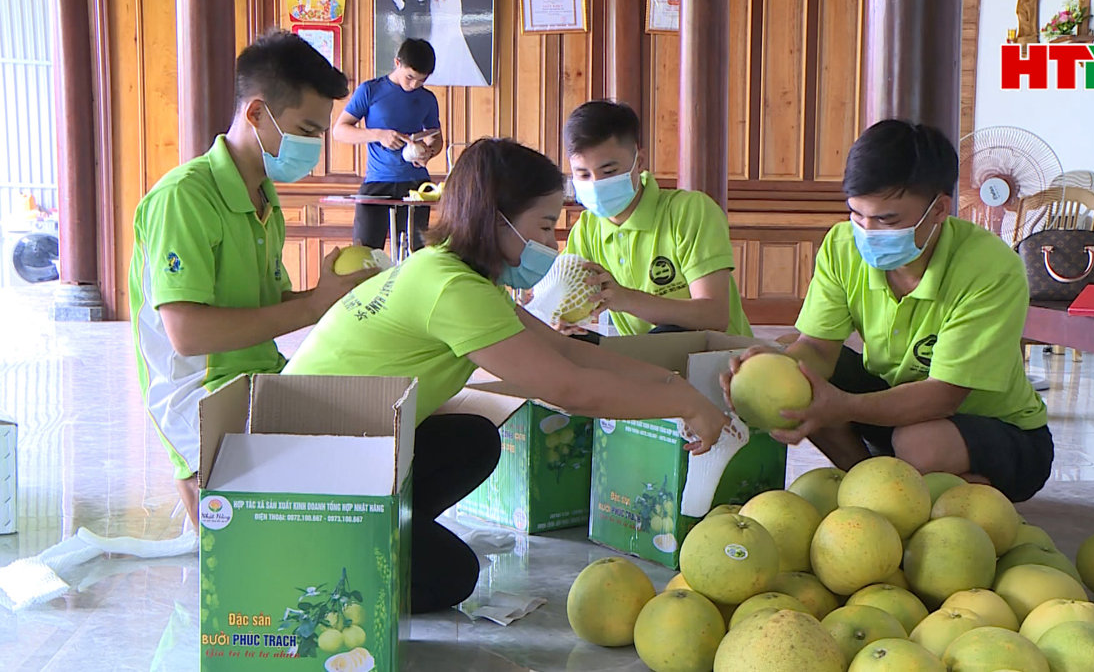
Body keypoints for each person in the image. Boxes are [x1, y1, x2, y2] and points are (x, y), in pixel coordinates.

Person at [282, 138, 730, 612]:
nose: (552, 245)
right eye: (545, 226)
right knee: (452, 575)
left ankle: (385, 526)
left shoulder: (450, 273)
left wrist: (675, 386)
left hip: (338, 454)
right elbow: (569, 388)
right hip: (303, 481)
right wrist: (683, 404)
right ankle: (327, 552)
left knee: (472, 440)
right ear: (497, 219)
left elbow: (564, 350)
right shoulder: (452, 290)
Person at [722, 119, 1053, 503]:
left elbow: (944, 396)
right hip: (896, 407)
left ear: (939, 209)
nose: (867, 231)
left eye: (887, 219)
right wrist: (771, 371)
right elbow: (815, 348)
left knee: (918, 443)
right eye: (856, 214)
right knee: (804, 379)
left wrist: (842, 406)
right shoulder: (842, 246)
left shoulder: (989, 268)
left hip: (998, 431)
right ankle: (873, 487)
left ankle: (940, 490)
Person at [128, 31, 377, 529]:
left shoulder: (264, 195)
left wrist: (333, 297)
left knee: (370, 450)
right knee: (272, 536)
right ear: (257, 113)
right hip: (199, 396)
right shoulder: (184, 198)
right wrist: (311, 306)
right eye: (306, 130)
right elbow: (188, 334)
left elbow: (269, 303)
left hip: (261, 377)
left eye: (319, 134)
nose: (314, 147)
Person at [560, 100, 753, 338]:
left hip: (719, 355)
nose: (596, 184)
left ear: (639, 162)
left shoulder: (689, 212)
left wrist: (627, 299)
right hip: (646, 356)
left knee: (668, 332)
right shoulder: (586, 229)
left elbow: (714, 315)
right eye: (583, 175)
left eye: (609, 172)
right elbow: (565, 295)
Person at [333, 38, 443, 252]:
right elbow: (339, 130)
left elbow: (436, 138)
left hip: (416, 185)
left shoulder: (427, 99)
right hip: (377, 182)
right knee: (364, 253)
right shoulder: (370, 90)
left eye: (421, 80)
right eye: (410, 77)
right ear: (397, 63)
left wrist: (428, 152)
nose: (414, 85)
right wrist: (378, 135)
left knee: (415, 256)